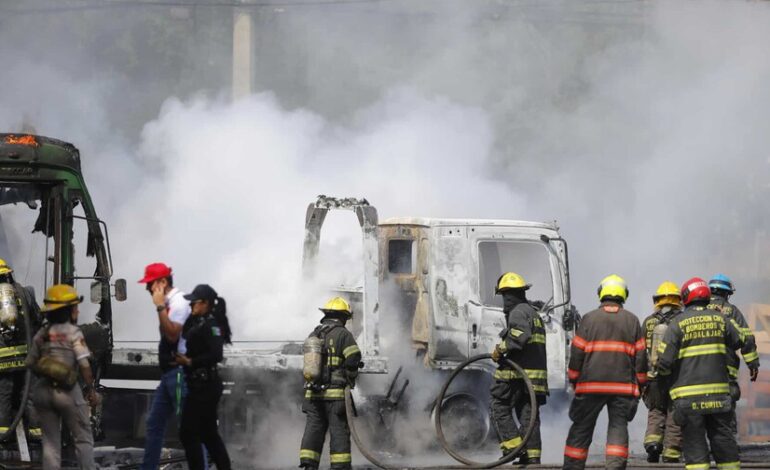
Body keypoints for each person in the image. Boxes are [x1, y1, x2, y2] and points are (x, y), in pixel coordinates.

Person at [656, 277, 750, 470]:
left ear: (686, 297)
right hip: (719, 398)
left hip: (689, 400)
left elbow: (664, 363)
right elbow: (742, 340)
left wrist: (665, 379)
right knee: (724, 443)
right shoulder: (721, 319)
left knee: (695, 447)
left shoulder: (678, 323)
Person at [563, 274, 646, 470]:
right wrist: (641, 384)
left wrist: (574, 379)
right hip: (623, 389)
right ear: (624, 295)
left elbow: (576, 353)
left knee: (581, 427)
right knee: (618, 428)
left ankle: (573, 467)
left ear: (601, 294)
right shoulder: (632, 320)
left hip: (591, 386)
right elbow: (641, 358)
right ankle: (614, 467)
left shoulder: (589, 319)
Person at [25, 284, 100, 470]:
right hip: (67, 393)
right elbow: (84, 366)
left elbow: (30, 362)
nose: (78, 309)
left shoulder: (42, 334)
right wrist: (91, 390)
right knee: (83, 438)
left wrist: (48, 369)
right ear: (67, 310)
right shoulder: (74, 333)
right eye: (75, 306)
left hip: (42, 392)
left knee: (50, 444)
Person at [137, 263, 191, 470]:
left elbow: (172, 334)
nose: (148, 290)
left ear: (162, 282)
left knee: (189, 429)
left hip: (180, 375)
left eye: (150, 285)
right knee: (154, 424)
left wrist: (159, 306)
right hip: (170, 375)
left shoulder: (178, 303)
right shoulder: (171, 303)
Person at [489, 272, 547, 464]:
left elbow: (519, 336)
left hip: (517, 376)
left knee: (499, 407)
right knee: (528, 418)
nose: (505, 300)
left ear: (509, 295)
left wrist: (501, 349)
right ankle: (532, 458)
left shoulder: (518, 312)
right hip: (534, 379)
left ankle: (513, 449)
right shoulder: (532, 312)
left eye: (505, 295)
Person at [299, 297, 362, 470]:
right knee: (339, 431)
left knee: (314, 429)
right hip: (335, 397)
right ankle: (340, 467)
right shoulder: (343, 334)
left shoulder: (314, 334)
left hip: (312, 395)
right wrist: (350, 377)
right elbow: (354, 357)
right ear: (343, 317)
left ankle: (308, 464)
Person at [175, 284, 231, 470]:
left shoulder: (211, 325)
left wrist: (191, 362)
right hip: (199, 385)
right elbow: (184, 333)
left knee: (188, 433)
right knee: (207, 434)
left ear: (205, 303)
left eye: (195, 303)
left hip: (205, 386)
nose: (191, 306)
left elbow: (216, 354)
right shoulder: (198, 322)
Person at [707, 274, 760, 434]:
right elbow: (747, 338)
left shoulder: (696, 310)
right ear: (726, 293)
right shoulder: (732, 311)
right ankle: (726, 444)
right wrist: (752, 364)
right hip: (725, 370)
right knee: (726, 407)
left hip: (696, 370)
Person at [641, 281, 683, 463]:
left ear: (657, 300)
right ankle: (671, 452)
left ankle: (653, 444)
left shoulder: (649, 321)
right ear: (678, 300)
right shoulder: (683, 320)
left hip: (653, 377)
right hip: (677, 377)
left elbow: (641, 350)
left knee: (656, 410)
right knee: (674, 412)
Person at [0, 258, 41, 440]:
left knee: (4, 395)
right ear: (9, 273)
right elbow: (37, 319)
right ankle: (36, 432)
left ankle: (3, 434)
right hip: (26, 355)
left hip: (3, 359)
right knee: (30, 394)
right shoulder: (26, 293)